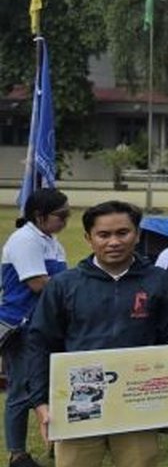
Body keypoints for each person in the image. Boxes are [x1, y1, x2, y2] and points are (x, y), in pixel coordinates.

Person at [26, 201, 168, 467]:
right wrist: (40, 402)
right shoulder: (65, 284)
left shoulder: (159, 281)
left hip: (137, 402)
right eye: (104, 235)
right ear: (88, 238)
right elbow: (41, 343)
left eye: (123, 233)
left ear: (138, 235)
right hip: (79, 402)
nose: (114, 242)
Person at [1, 189, 69, 467]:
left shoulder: (52, 241)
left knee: (55, 386)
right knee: (22, 389)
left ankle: (57, 444)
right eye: (61, 215)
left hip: (48, 324)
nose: (67, 220)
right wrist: (74, 286)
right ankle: (17, 454)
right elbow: (38, 284)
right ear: (40, 217)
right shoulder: (25, 240)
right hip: (22, 325)